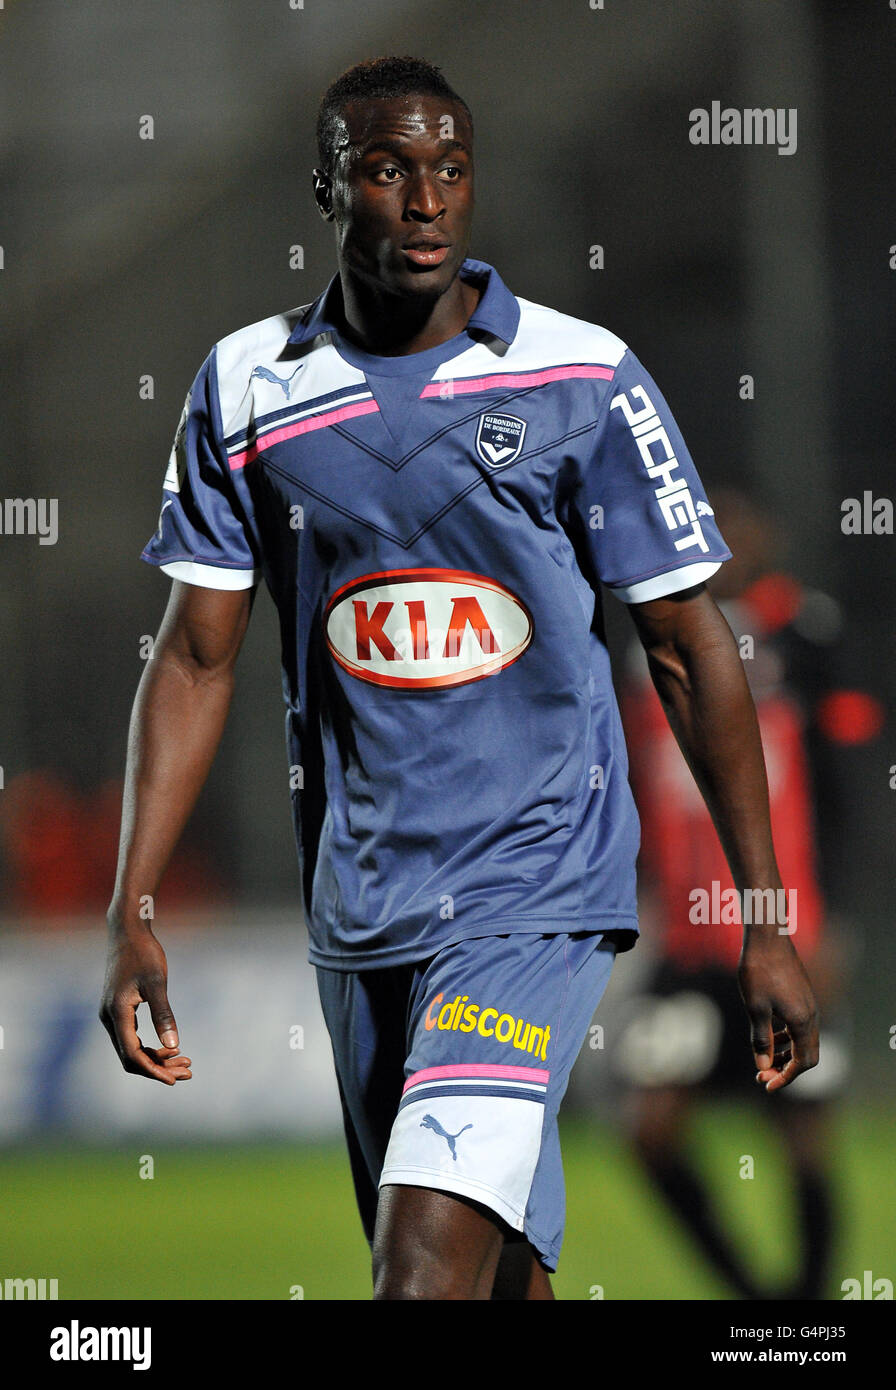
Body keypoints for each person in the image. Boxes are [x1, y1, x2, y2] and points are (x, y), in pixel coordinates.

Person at [100, 55, 819, 1301]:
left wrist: (763, 918)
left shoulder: (579, 375)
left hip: (531, 890)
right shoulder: (244, 387)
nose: (425, 201)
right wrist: (133, 904)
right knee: (492, 1280)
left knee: (418, 1272)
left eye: (449, 170)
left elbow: (690, 647)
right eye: (386, 172)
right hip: (362, 900)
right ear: (328, 189)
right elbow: (195, 654)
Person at [617, 488, 879, 1299]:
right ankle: (748, 1299)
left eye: (738, 530)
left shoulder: (804, 633)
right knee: (652, 1129)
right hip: (690, 948)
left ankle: (804, 1308)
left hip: (784, 930)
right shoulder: (645, 641)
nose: (723, 544)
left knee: (803, 1130)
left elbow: (846, 786)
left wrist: (837, 921)